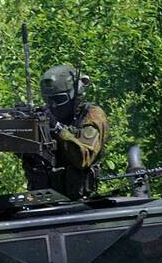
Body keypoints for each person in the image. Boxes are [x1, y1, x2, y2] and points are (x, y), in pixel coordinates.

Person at [24, 64, 109, 199]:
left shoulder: (92, 115)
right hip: (42, 199)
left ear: (75, 94)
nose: (53, 105)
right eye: (48, 100)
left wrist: (57, 128)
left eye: (59, 99)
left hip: (79, 200)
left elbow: (84, 158)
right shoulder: (45, 117)